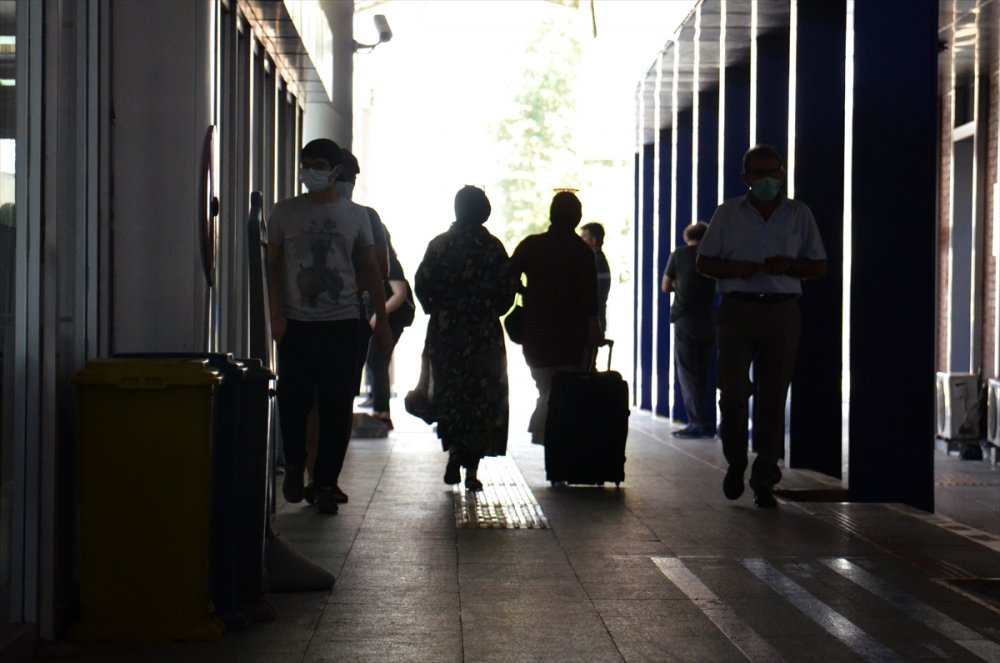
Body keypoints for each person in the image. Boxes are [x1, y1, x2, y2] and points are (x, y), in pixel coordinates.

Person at [696, 144, 827, 508]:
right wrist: (733, 269)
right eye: (759, 173)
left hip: (782, 311)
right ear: (746, 178)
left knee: (773, 398)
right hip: (737, 309)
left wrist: (790, 266)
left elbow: (818, 265)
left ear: (782, 174)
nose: (767, 179)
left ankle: (765, 478)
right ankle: (736, 461)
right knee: (733, 394)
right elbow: (703, 262)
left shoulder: (798, 214)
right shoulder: (727, 214)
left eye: (773, 172)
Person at [267, 138, 391, 515]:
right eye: (305, 165)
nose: (310, 172)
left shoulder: (356, 216)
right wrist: (276, 314)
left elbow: (371, 269)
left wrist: (381, 320)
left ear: (336, 171)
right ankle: (294, 464)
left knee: (337, 407)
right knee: (293, 400)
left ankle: (324, 483)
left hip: (343, 324)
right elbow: (273, 268)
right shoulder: (284, 213)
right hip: (297, 324)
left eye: (318, 165)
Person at [414, 186, 517, 491]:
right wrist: (489, 310)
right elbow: (507, 289)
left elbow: (422, 284)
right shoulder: (492, 247)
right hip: (483, 333)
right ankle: (472, 469)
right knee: (481, 398)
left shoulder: (440, 245)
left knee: (450, 393)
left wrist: (440, 309)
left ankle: (453, 451)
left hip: (446, 331)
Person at [510, 191, 602, 445]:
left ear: (551, 215)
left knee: (544, 385)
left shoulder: (532, 245)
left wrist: (527, 292)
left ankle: (544, 430)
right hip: (571, 337)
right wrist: (594, 330)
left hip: (536, 334)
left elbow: (508, 275)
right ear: (577, 217)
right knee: (566, 390)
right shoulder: (582, 252)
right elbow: (589, 299)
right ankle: (554, 438)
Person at [334, 148, 413, 430]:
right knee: (372, 363)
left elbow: (396, 289)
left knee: (376, 361)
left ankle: (381, 411)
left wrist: (379, 317)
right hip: (367, 314)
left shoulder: (366, 220)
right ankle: (378, 409)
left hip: (380, 315)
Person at [662, 222, 718, 439]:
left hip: (685, 319)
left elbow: (665, 286)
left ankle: (697, 424)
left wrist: (679, 285)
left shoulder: (679, 254)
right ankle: (706, 422)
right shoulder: (712, 257)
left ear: (687, 236)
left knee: (688, 372)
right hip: (708, 319)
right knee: (703, 372)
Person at [580, 222, 611, 333]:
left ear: (592, 241)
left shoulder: (594, 262)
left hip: (591, 325)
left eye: (583, 238)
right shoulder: (600, 261)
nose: (580, 242)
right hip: (596, 322)